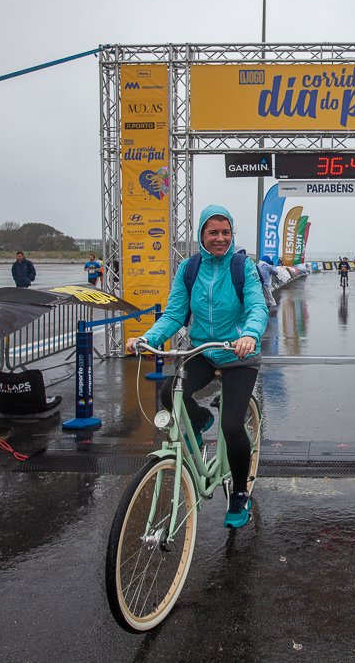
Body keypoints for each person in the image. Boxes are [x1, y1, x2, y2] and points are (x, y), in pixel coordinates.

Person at [125, 205, 268, 528]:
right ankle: (201, 420)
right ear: (201, 235)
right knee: (167, 393)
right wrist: (146, 338)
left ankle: (240, 493)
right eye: (213, 232)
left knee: (232, 426)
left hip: (238, 354)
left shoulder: (242, 267)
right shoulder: (189, 269)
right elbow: (175, 314)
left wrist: (248, 334)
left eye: (225, 232)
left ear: (232, 234)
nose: (220, 238)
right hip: (203, 349)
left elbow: (257, 306)